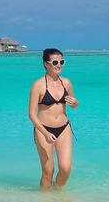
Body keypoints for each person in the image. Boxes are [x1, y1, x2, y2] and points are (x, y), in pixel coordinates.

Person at [27, 47, 78, 189]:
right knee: (48, 172)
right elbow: (31, 113)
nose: (59, 65)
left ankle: (56, 194)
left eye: (62, 62)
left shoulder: (66, 82)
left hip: (64, 128)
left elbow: (74, 103)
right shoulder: (38, 85)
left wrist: (75, 103)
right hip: (44, 130)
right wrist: (45, 133)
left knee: (66, 169)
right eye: (55, 62)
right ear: (46, 64)